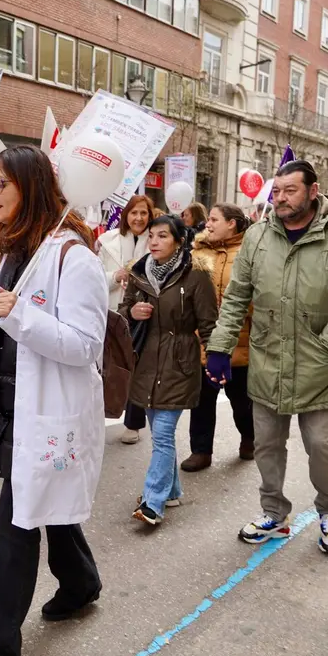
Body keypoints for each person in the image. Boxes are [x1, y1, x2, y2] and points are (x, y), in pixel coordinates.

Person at [0, 146, 106, 656]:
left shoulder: (73, 258)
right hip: (9, 407)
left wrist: (23, 320)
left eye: (0, 186)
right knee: (46, 504)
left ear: (30, 188)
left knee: (15, 530)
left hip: (46, 415)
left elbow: (87, 345)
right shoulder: (12, 250)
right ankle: (81, 581)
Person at [206, 160, 328, 555]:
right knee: (266, 443)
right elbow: (237, 297)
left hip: (319, 364)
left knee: (321, 444)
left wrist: (327, 342)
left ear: (313, 192)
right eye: (276, 191)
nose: (279, 198)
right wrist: (219, 347)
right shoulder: (259, 236)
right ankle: (274, 513)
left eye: (289, 191)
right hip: (267, 359)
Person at [121, 214, 218, 526]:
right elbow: (122, 313)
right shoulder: (139, 273)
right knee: (159, 436)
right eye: (152, 235)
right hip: (145, 364)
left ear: (179, 241)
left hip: (180, 364)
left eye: (162, 236)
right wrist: (133, 312)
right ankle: (172, 491)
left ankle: (153, 502)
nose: (154, 241)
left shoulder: (196, 276)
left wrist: (215, 359)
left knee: (163, 435)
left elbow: (209, 324)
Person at [183, 203, 255, 472]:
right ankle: (201, 451)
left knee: (242, 402)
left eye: (214, 219)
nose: (208, 224)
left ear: (232, 223)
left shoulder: (250, 252)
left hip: (240, 343)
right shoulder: (197, 252)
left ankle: (250, 438)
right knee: (201, 401)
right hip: (203, 341)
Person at [97, 194, 153, 445]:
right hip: (112, 311)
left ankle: (133, 423)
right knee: (109, 366)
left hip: (143, 314)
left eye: (143, 213)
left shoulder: (157, 241)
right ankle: (100, 416)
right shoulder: (106, 242)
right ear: (126, 215)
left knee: (137, 368)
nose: (138, 218)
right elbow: (94, 277)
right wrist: (114, 276)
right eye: (134, 213)